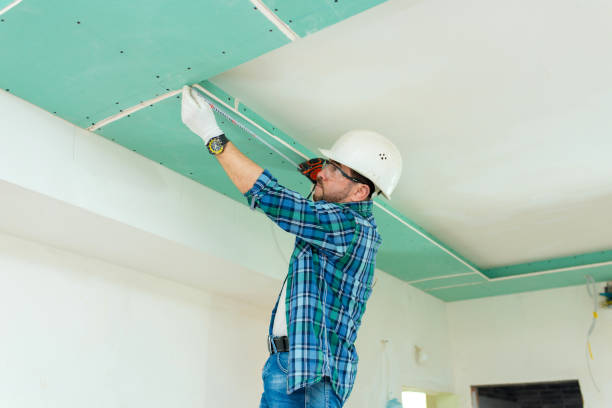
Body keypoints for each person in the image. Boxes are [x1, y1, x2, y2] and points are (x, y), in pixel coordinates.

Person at [180, 85, 402, 407]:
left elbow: (273, 198)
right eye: (326, 164)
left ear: (359, 193)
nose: (322, 173)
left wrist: (210, 134)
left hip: (308, 373)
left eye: (334, 169)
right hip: (292, 367)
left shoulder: (350, 226)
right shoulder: (342, 226)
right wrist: (326, 184)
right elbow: (313, 212)